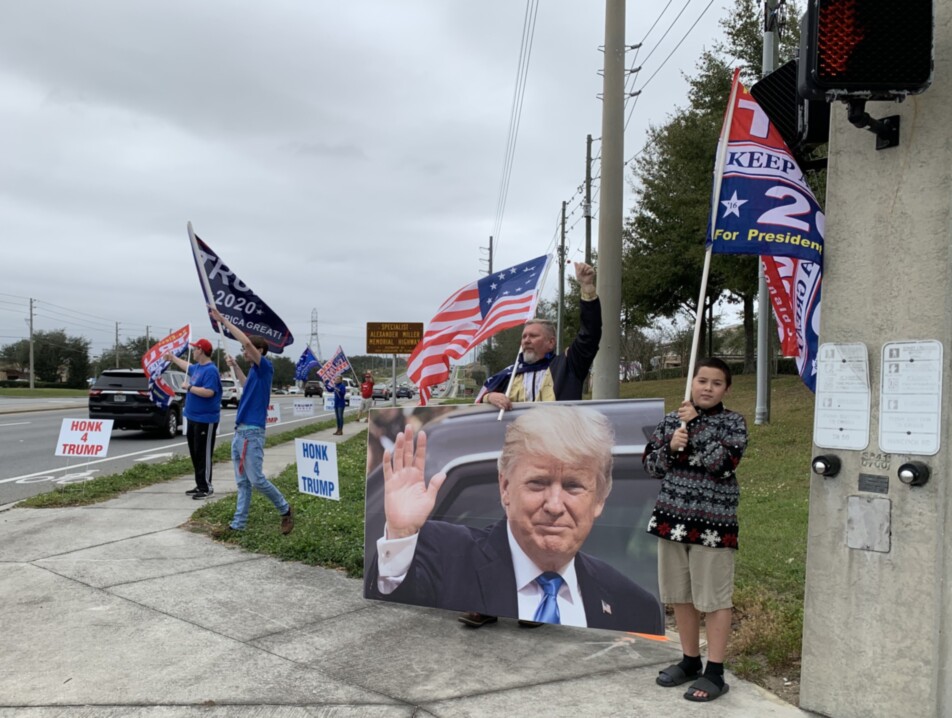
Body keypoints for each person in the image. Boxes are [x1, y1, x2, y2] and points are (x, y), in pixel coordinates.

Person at [364, 404, 664, 635]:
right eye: (538, 483)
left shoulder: (636, 606)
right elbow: (387, 624)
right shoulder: (441, 553)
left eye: (573, 486)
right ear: (505, 487)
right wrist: (402, 534)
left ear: (599, 499)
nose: (555, 505)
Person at [463, 260, 601, 628]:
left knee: (543, 538)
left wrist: (587, 290)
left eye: (533, 336)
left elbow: (590, 335)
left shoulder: (568, 367)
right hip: (516, 469)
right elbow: (477, 398)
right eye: (523, 336)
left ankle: (533, 606)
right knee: (502, 535)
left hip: (558, 464)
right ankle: (491, 602)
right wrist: (487, 398)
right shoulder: (508, 375)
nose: (526, 340)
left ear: (551, 342)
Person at [642, 357, 748, 703]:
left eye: (716, 383)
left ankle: (715, 671)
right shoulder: (673, 421)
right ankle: (689, 660)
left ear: (726, 389)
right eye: (702, 381)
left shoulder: (733, 423)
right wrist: (671, 447)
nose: (707, 387)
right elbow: (651, 465)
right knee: (680, 595)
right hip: (672, 520)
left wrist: (698, 426)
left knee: (714, 599)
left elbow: (723, 465)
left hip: (713, 525)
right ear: (692, 383)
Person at [208, 305, 293, 535]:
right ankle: (238, 524)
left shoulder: (265, 367)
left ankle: (285, 509)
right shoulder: (256, 373)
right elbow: (246, 385)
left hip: (252, 433)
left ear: (260, 350)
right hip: (240, 433)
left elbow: (246, 342)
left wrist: (223, 321)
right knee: (242, 483)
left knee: (256, 480)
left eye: (247, 351)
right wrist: (235, 367)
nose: (243, 352)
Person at [165, 338, 222, 499]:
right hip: (192, 417)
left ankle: (206, 487)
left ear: (201, 350)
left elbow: (209, 392)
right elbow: (186, 366)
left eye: (195, 349)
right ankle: (199, 484)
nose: (193, 352)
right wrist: (173, 358)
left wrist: (189, 387)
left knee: (204, 453)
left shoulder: (211, 370)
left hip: (206, 419)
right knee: (195, 452)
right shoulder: (197, 368)